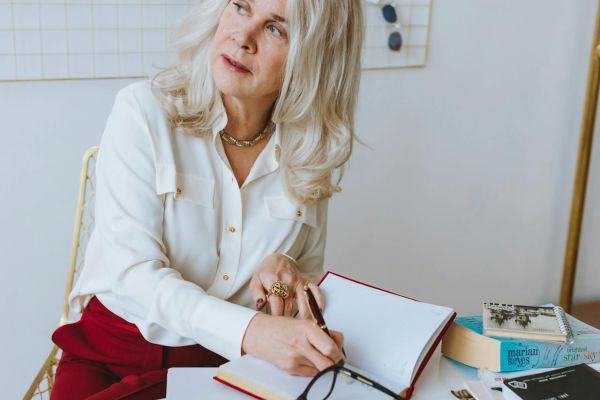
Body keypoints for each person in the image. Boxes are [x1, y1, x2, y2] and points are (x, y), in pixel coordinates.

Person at [50, 0, 364, 398]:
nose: (242, 37)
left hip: (229, 367)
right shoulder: (143, 111)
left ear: (316, 58)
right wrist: (252, 331)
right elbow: (134, 277)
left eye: (276, 29)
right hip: (112, 352)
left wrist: (284, 276)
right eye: (241, 7)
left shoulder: (309, 153)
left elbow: (303, 288)